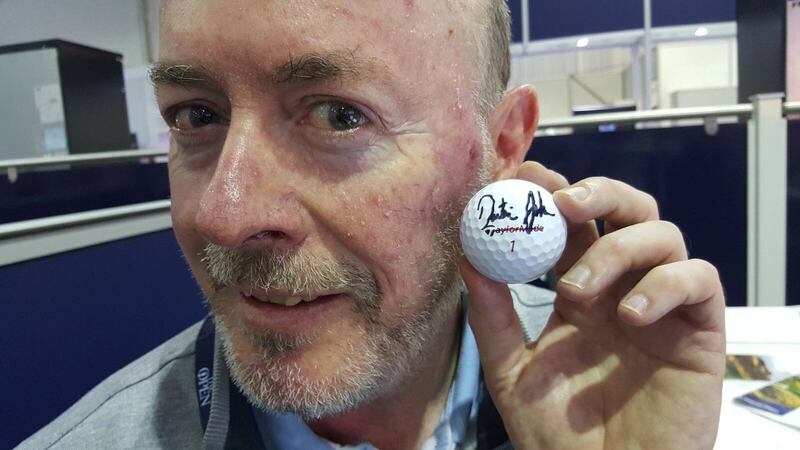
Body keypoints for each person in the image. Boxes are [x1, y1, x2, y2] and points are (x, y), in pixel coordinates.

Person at [19, 1, 726, 449]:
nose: (223, 215)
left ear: (503, 147)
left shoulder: (614, 382)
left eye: (338, 115)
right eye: (195, 116)